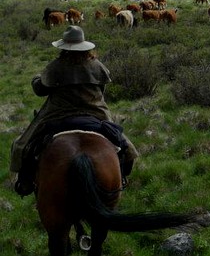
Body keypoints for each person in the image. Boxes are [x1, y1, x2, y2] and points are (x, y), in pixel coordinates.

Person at [9, 25, 139, 197]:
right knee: (127, 149)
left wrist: (37, 80)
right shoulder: (96, 65)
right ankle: (121, 177)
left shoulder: (56, 66)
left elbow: (40, 90)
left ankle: (25, 182)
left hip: (57, 115)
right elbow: (102, 90)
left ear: (64, 47)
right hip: (95, 113)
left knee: (21, 145)